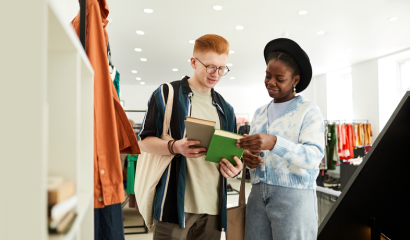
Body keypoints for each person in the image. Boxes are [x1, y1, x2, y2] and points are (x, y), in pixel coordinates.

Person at [138, 34, 243, 240]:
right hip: (173, 206)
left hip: (213, 210)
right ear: (194, 62)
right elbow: (144, 141)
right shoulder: (167, 94)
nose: (216, 74)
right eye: (210, 66)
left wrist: (235, 168)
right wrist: (175, 147)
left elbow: (230, 154)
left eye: (222, 68)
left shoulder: (226, 109)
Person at [237, 38, 325, 240]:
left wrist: (275, 143)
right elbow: (255, 155)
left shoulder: (308, 110)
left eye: (279, 78)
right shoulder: (259, 113)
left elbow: (313, 158)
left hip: (294, 198)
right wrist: (248, 158)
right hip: (257, 196)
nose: (271, 82)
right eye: (267, 76)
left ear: (295, 80)